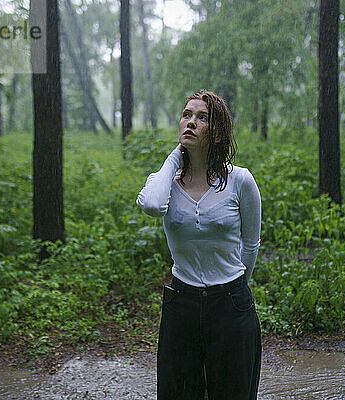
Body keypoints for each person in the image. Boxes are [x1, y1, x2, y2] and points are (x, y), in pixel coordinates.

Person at [135, 89, 262, 400]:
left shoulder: (240, 181)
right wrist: (174, 157)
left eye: (202, 118)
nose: (190, 122)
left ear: (217, 133)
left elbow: (251, 244)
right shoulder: (165, 183)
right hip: (182, 304)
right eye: (186, 115)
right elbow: (151, 205)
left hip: (231, 305)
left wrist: (232, 290)